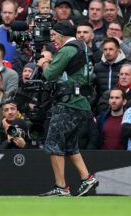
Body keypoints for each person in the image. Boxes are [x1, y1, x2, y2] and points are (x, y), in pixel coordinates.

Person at [36, 21, 99, 197]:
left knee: (54, 143)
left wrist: (44, 64)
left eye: (54, 35)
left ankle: (61, 187)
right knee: (70, 145)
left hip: (69, 102)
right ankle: (87, 179)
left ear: (62, 34)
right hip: (81, 103)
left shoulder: (67, 49)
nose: (53, 39)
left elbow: (49, 75)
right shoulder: (82, 47)